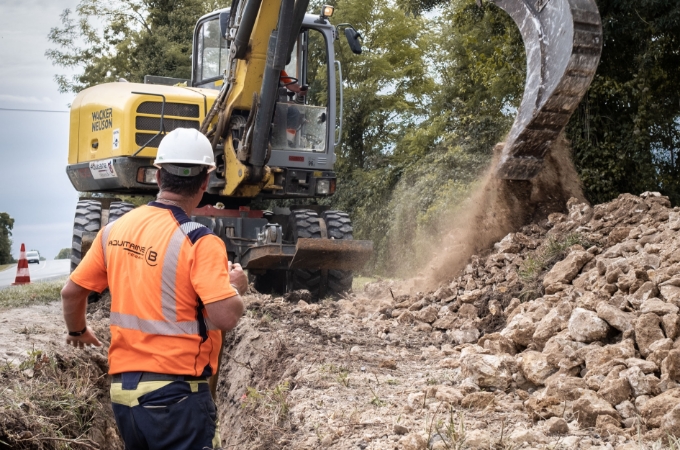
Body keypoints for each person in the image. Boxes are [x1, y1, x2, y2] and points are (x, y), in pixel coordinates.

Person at [61, 127, 248, 449]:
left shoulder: (113, 231)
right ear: (205, 182)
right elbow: (226, 316)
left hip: (123, 395)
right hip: (176, 397)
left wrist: (78, 332)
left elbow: (71, 293)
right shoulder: (199, 239)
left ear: (158, 176)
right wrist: (235, 288)